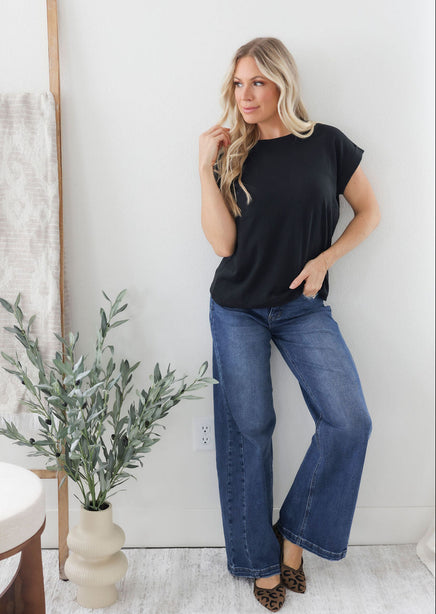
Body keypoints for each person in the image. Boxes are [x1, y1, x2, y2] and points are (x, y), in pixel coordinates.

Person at [198, 36, 381, 612]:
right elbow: (223, 245)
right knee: (249, 431)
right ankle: (258, 562)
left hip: (302, 306)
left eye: (257, 81)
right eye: (238, 83)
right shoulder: (233, 152)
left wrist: (326, 259)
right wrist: (203, 168)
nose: (245, 94)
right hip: (238, 308)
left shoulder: (327, 143)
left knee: (349, 422)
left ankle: (292, 541)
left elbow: (369, 212)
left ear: (283, 82)